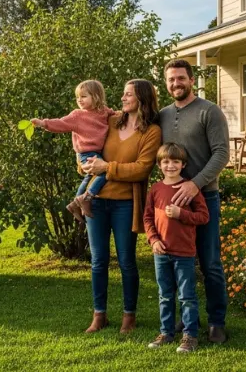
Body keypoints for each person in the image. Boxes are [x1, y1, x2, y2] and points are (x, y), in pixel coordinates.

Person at [78, 79, 161, 334]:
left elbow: (141, 169)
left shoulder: (152, 132)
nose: (123, 98)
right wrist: (85, 165)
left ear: (142, 100)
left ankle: (129, 316)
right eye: (123, 94)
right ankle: (99, 315)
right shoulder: (112, 120)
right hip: (97, 201)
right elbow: (86, 140)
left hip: (125, 204)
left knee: (126, 261)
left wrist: (107, 168)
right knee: (98, 261)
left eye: (128, 95)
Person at [158, 58, 231, 343]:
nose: (176, 83)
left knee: (210, 262)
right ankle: (187, 318)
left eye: (180, 78)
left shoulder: (209, 112)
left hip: (205, 197)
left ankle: (216, 322)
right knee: (179, 261)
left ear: (191, 80)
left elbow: (221, 153)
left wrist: (195, 184)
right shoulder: (163, 114)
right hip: (173, 201)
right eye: (171, 79)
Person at [144, 143, 210, 353]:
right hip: (161, 253)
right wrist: (153, 239)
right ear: (159, 165)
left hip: (184, 253)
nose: (170, 165)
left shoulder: (189, 188)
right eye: (166, 161)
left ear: (183, 165)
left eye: (175, 162)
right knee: (165, 295)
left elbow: (203, 216)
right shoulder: (155, 189)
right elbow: (147, 218)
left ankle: (190, 336)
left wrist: (182, 214)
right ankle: (166, 332)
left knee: (186, 296)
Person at [31, 80, 115, 223]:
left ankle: (75, 204)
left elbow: (116, 114)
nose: (79, 100)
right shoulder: (77, 115)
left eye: (83, 96)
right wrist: (43, 123)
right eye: (78, 97)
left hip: (97, 152)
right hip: (85, 152)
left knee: (90, 177)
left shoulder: (104, 111)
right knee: (105, 172)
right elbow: (61, 123)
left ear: (96, 96)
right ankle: (86, 198)